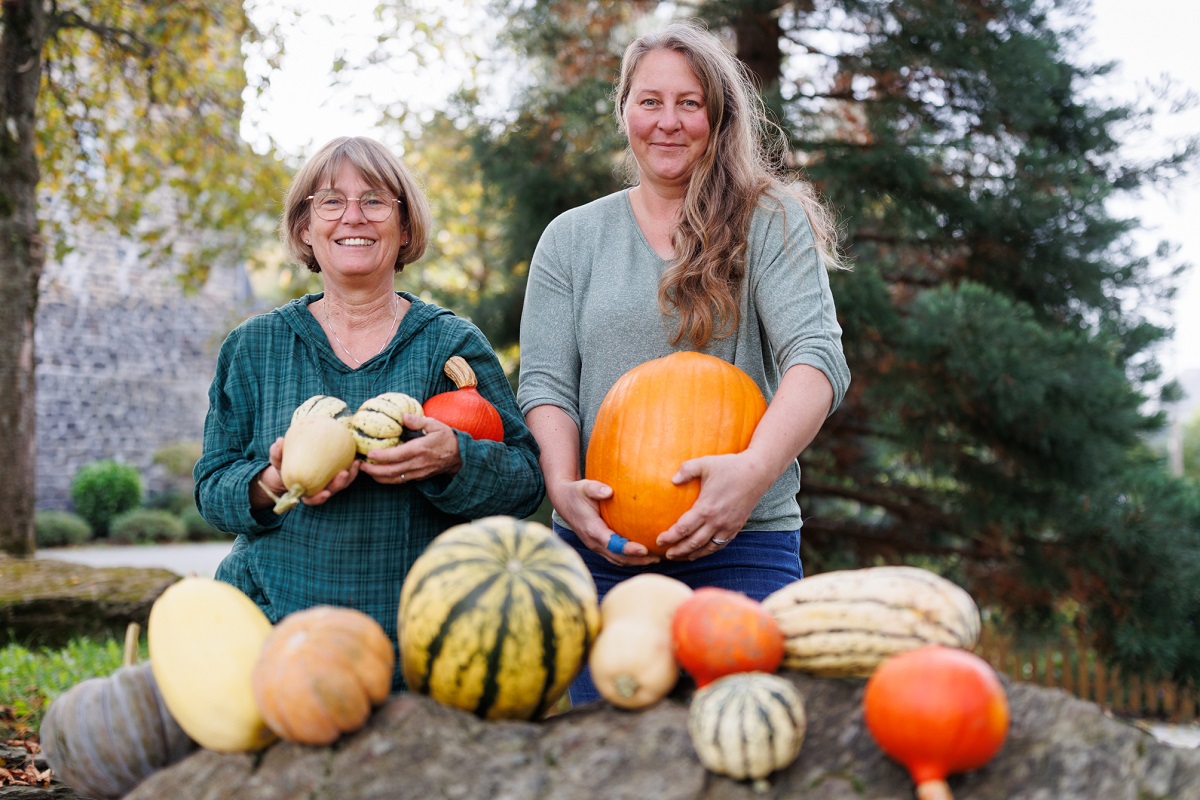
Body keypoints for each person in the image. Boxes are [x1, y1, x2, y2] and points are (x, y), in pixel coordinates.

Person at [516, 21, 851, 703]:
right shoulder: (571, 240)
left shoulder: (770, 220)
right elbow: (546, 382)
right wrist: (562, 487)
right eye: (649, 102)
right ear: (624, 112)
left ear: (717, 116)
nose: (667, 122)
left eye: (689, 103)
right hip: (603, 551)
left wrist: (752, 475)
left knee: (743, 741)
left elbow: (816, 361)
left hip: (744, 543)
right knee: (611, 761)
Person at [195, 135, 545, 690]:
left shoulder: (449, 344)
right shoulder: (255, 347)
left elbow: (525, 481)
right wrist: (274, 478)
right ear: (305, 228)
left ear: (404, 228)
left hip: (419, 651)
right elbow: (213, 488)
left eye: (376, 200)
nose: (352, 216)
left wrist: (454, 458)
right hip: (272, 638)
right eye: (330, 201)